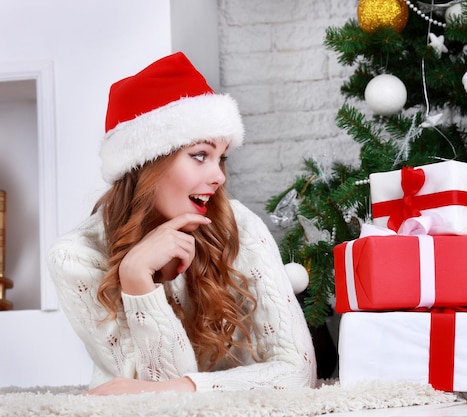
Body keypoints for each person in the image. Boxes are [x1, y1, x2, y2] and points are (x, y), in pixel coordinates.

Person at [47, 52, 317, 395]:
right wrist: (136, 278)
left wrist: (187, 388)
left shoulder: (240, 227)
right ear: (148, 163)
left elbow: (299, 374)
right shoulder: (75, 257)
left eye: (221, 158)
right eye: (200, 155)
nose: (218, 176)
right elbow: (157, 405)